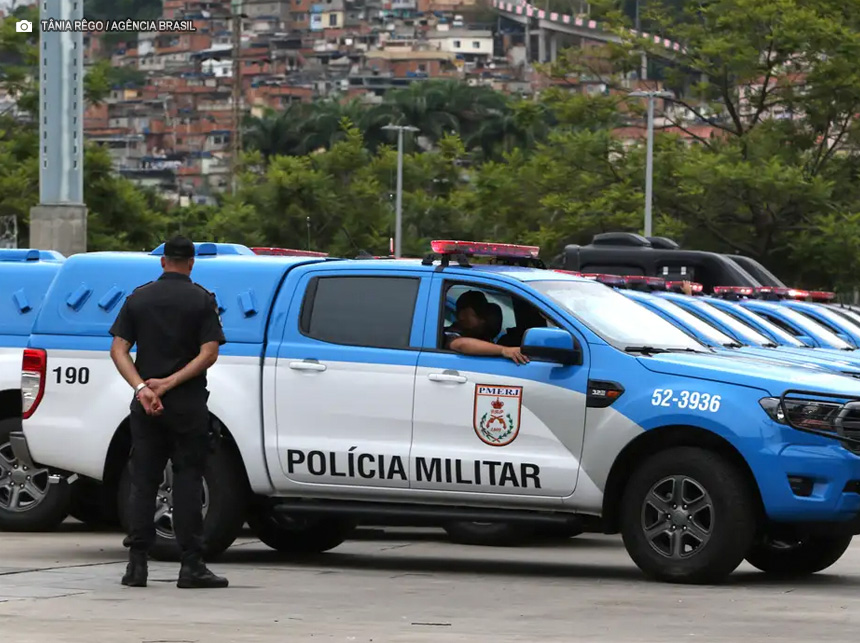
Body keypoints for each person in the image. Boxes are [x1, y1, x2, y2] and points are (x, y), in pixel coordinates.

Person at [108, 235, 229, 589]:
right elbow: (209, 353)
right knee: (188, 479)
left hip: (145, 405)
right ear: (191, 262)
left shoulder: (139, 298)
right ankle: (191, 566)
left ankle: (136, 566)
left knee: (143, 481)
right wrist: (169, 383)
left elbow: (118, 349)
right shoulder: (202, 300)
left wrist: (143, 387)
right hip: (187, 405)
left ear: (162, 262)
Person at [444, 290, 529, 364]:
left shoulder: (484, 336)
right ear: (463, 315)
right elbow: (461, 344)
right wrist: (504, 350)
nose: (484, 321)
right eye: (479, 315)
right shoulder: (451, 333)